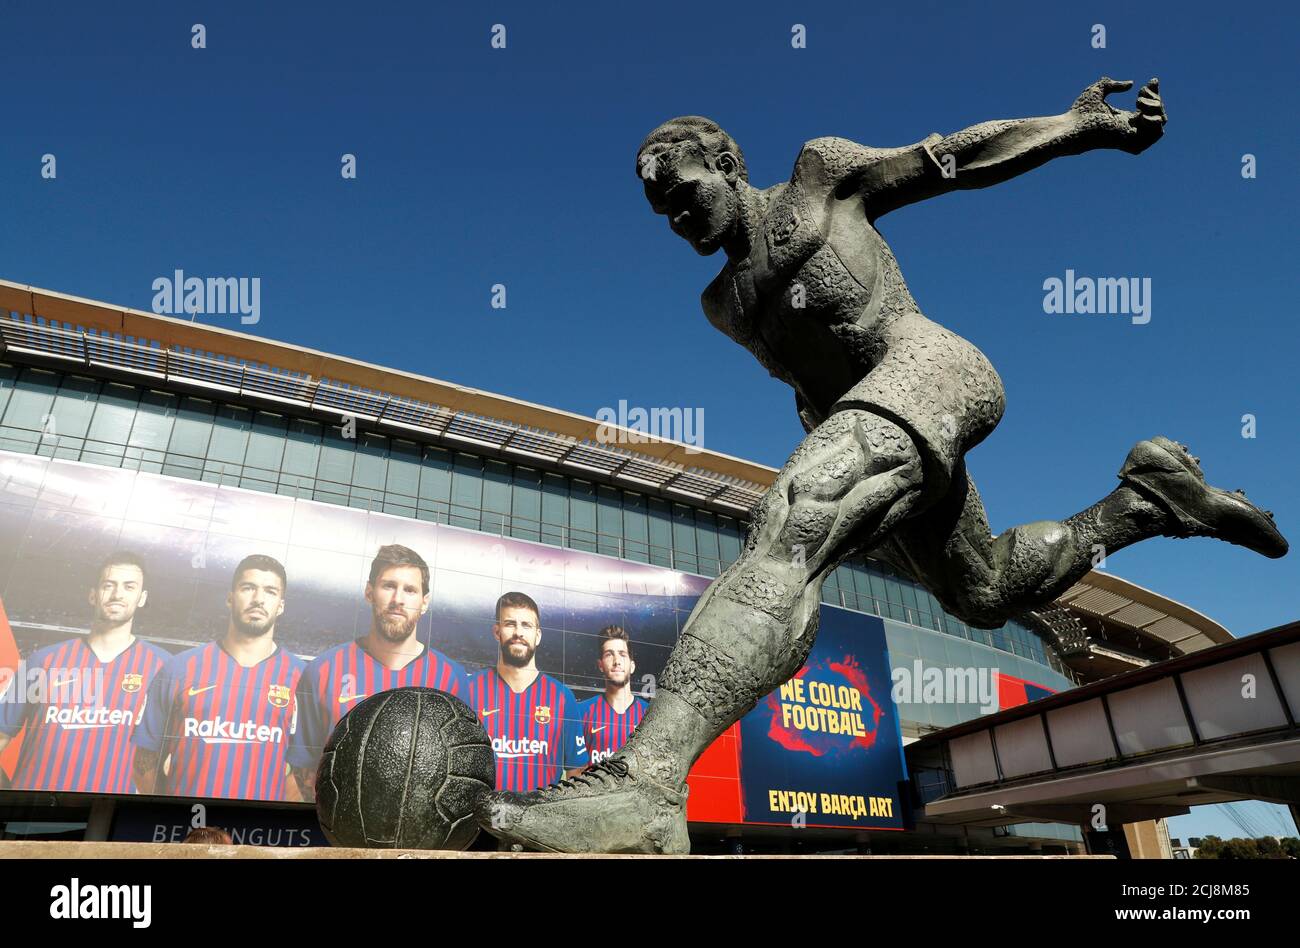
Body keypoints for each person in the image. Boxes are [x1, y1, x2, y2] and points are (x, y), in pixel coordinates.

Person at [482, 77, 1288, 853]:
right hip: (879, 422)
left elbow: (951, 160)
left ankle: (646, 782)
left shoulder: (816, 179)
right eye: (664, 215)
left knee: (794, 520)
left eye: (686, 193)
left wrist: (1077, 126)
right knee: (985, 591)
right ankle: (1146, 501)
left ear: (727, 165)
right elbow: (810, 382)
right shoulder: (722, 304)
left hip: (930, 367)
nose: (680, 220)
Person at [289, 544, 464, 800]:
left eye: (410, 590)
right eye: (388, 586)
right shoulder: (322, 670)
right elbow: (302, 771)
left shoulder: (453, 679)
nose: (398, 599)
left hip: (422, 837)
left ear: (424, 602)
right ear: (369, 592)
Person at [133, 554, 305, 801]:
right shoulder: (179, 668)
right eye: (248, 588)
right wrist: (171, 812)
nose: (258, 599)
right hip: (186, 830)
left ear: (280, 605)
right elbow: (144, 761)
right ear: (230, 597)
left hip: (262, 834)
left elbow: (306, 773)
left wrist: (268, 820)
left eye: (270, 591)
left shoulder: (303, 679)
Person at [0, 552, 169, 792]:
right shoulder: (41, 660)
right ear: (92, 595)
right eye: (108, 585)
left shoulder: (165, 667)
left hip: (114, 820)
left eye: (128, 587)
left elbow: (174, 758)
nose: (117, 594)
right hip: (32, 817)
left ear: (142, 598)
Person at [465, 592, 586, 793]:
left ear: (537, 635)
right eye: (510, 624)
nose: (518, 632)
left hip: (540, 822)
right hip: (481, 821)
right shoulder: (468, 690)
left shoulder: (562, 697)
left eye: (526, 625)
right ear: (497, 631)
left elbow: (577, 773)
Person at [579, 626, 647, 766]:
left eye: (622, 654)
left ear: (632, 666)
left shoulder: (649, 714)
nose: (617, 661)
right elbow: (575, 773)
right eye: (609, 654)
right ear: (600, 665)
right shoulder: (582, 712)